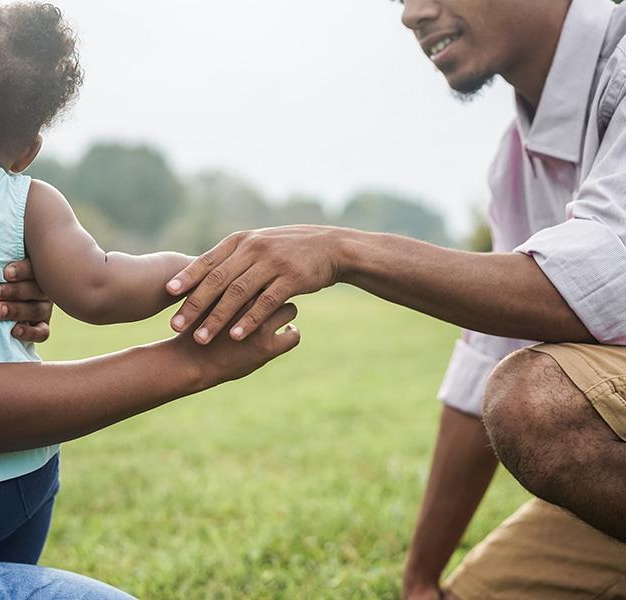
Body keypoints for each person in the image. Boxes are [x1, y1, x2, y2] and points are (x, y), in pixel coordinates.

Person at [0, 1, 301, 597]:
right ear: (27, 149)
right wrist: (192, 270)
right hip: (16, 474)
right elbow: (100, 288)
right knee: (23, 547)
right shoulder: (28, 201)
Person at [163, 0, 626, 598]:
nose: (411, 14)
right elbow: (484, 363)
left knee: (539, 399)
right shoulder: (515, 166)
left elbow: (596, 283)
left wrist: (344, 251)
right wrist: (420, 580)